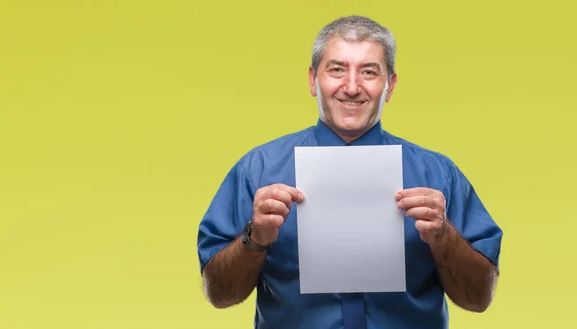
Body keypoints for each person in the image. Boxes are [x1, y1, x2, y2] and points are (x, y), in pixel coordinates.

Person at [196, 15, 503, 329]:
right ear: (313, 80)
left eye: (369, 72)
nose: (352, 87)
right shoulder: (257, 170)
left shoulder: (438, 174)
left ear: (390, 85)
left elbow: (479, 299)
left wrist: (443, 236)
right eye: (337, 69)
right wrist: (256, 237)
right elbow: (219, 295)